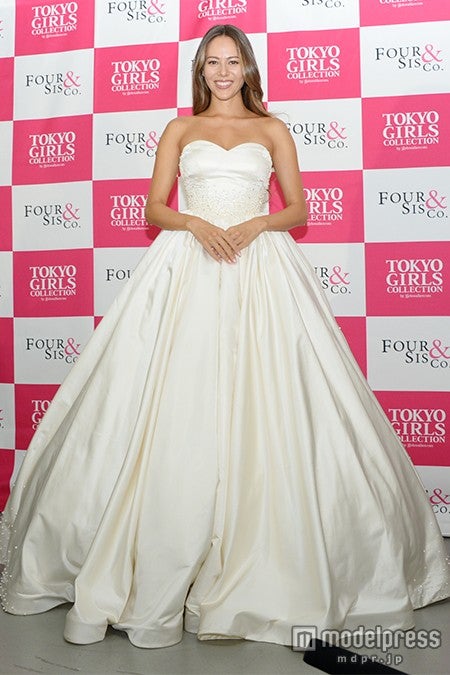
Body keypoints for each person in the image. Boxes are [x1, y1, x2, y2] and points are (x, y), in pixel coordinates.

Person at [1, 24, 449, 651]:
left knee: (273, 400)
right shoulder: (179, 129)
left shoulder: (273, 129)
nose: (222, 71)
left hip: (260, 265)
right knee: (174, 400)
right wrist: (195, 224)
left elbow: (299, 209)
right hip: (188, 263)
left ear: (247, 68)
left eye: (232, 61)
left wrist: (256, 225)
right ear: (200, 70)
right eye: (212, 62)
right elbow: (154, 208)